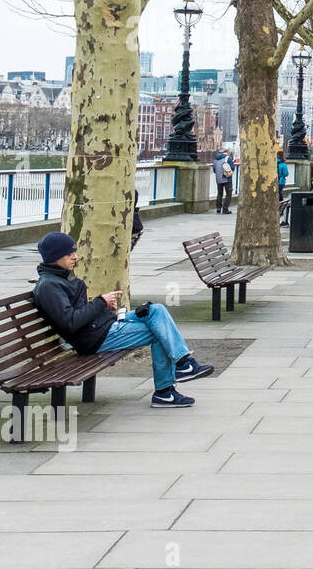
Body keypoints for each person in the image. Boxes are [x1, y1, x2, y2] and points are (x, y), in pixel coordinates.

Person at [33, 232, 213, 408]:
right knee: (158, 331)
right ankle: (165, 390)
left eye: (74, 251)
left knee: (156, 310)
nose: (75, 256)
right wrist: (100, 302)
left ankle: (182, 363)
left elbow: (79, 312)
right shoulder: (49, 286)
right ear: (54, 256)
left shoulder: (59, 279)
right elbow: (70, 322)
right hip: (95, 338)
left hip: (103, 326)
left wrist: (104, 308)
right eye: (69, 253)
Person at [212, 149, 235, 214]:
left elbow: (214, 170)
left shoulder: (216, 159)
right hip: (227, 178)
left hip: (218, 178)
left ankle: (218, 208)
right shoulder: (228, 158)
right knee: (229, 194)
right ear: (228, 153)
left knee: (219, 193)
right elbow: (232, 168)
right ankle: (225, 209)